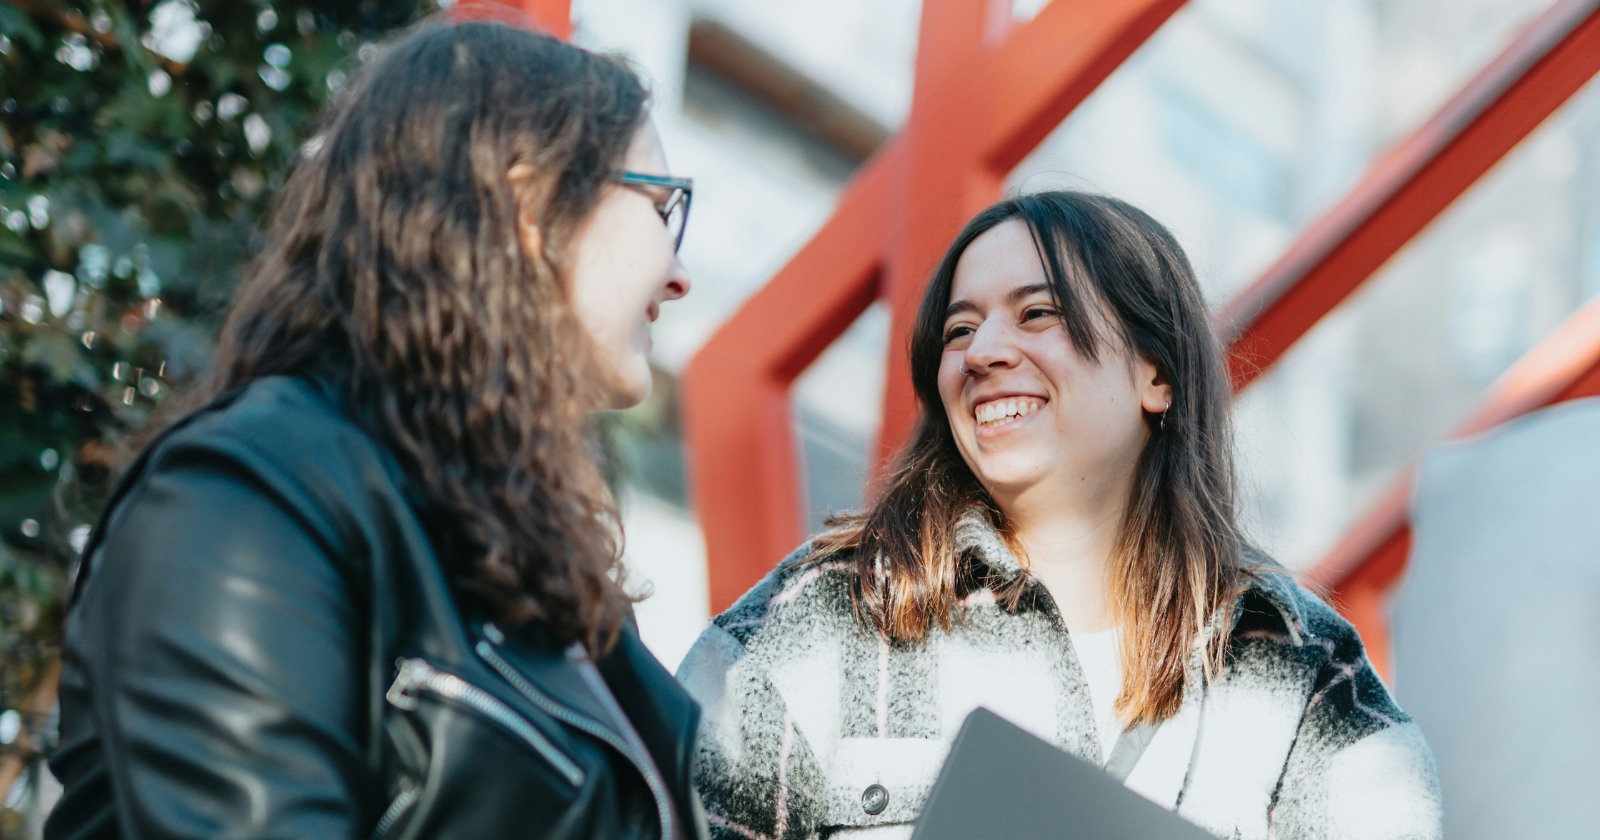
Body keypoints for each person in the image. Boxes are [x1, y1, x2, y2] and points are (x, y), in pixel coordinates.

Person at [46, 19, 704, 840]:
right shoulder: (252, 495)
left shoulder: (542, 576)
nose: (680, 275)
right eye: (661, 206)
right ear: (528, 202)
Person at [677, 192, 1442, 839]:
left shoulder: (1302, 671)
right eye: (959, 330)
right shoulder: (828, 615)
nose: (982, 353)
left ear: (1157, 374)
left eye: (1037, 313)